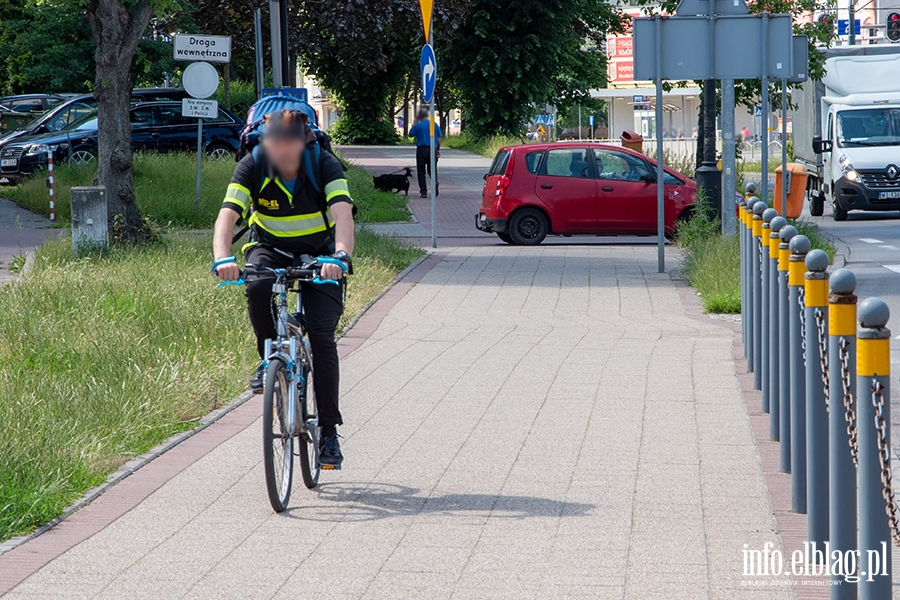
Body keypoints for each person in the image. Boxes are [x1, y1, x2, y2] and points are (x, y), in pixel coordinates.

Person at [212, 109, 354, 466]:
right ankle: (267, 357)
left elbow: (343, 215)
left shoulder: (324, 164)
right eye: (274, 144)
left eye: (289, 144)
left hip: (321, 255)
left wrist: (340, 257)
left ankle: (329, 432)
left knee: (322, 336)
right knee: (257, 286)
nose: (282, 152)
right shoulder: (253, 165)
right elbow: (227, 215)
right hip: (271, 248)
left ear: (304, 141)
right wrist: (222, 258)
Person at [408, 107, 442, 198]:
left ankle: (424, 192)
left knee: (421, 171)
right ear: (427, 116)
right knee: (432, 170)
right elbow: (439, 139)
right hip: (432, 149)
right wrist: (438, 149)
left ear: (419, 116)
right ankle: (435, 183)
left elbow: (410, 134)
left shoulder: (418, 126)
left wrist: (414, 124)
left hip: (421, 150)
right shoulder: (434, 125)